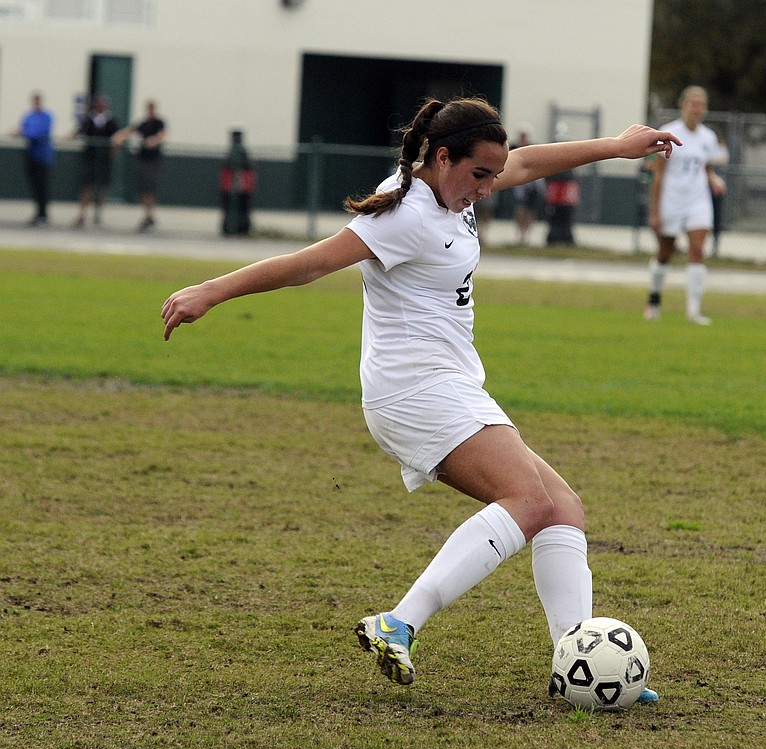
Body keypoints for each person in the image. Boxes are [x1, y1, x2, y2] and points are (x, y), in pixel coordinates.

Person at [161, 97, 679, 699]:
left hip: (447, 384)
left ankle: (577, 660)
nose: (488, 188)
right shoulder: (404, 213)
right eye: (480, 175)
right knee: (528, 500)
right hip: (414, 390)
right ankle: (399, 622)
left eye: (492, 175)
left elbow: (529, 163)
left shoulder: (449, 189)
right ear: (441, 156)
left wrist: (615, 147)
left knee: (562, 507)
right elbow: (308, 266)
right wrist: (210, 290)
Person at [644, 86, 726, 325]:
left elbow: (707, 168)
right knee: (664, 252)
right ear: (682, 105)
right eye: (693, 103)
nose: (697, 109)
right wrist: (655, 212)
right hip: (672, 200)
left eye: (701, 104)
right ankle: (654, 301)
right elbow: (658, 176)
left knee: (698, 250)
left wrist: (713, 180)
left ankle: (693, 311)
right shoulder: (668, 132)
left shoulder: (708, 137)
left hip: (698, 200)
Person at [113, 99, 168, 231]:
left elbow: (162, 135)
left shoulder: (159, 123)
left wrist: (154, 141)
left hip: (153, 160)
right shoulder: (143, 124)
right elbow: (129, 131)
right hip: (142, 159)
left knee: (150, 188)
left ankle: (149, 215)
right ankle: (148, 215)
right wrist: (119, 137)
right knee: (142, 189)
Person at [70, 95, 121, 227]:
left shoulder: (111, 121)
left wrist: (113, 150)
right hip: (90, 158)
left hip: (104, 160)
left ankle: (98, 212)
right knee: (87, 185)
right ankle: (82, 214)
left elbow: (117, 137)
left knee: (102, 186)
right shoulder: (89, 120)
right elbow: (79, 131)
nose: (100, 107)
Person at [14, 93, 55, 226]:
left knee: (42, 185)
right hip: (31, 154)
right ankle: (38, 213)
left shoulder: (46, 116)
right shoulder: (29, 116)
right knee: (34, 185)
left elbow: (39, 133)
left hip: (42, 156)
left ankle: (43, 214)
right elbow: (23, 128)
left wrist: (24, 133)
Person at [510, 127, 547, 245]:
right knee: (520, 210)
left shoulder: (533, 151)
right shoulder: (513, 150)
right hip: (520, 186)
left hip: (532, 185)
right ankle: (520, 235)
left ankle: (526, 235)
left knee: (530, 211)